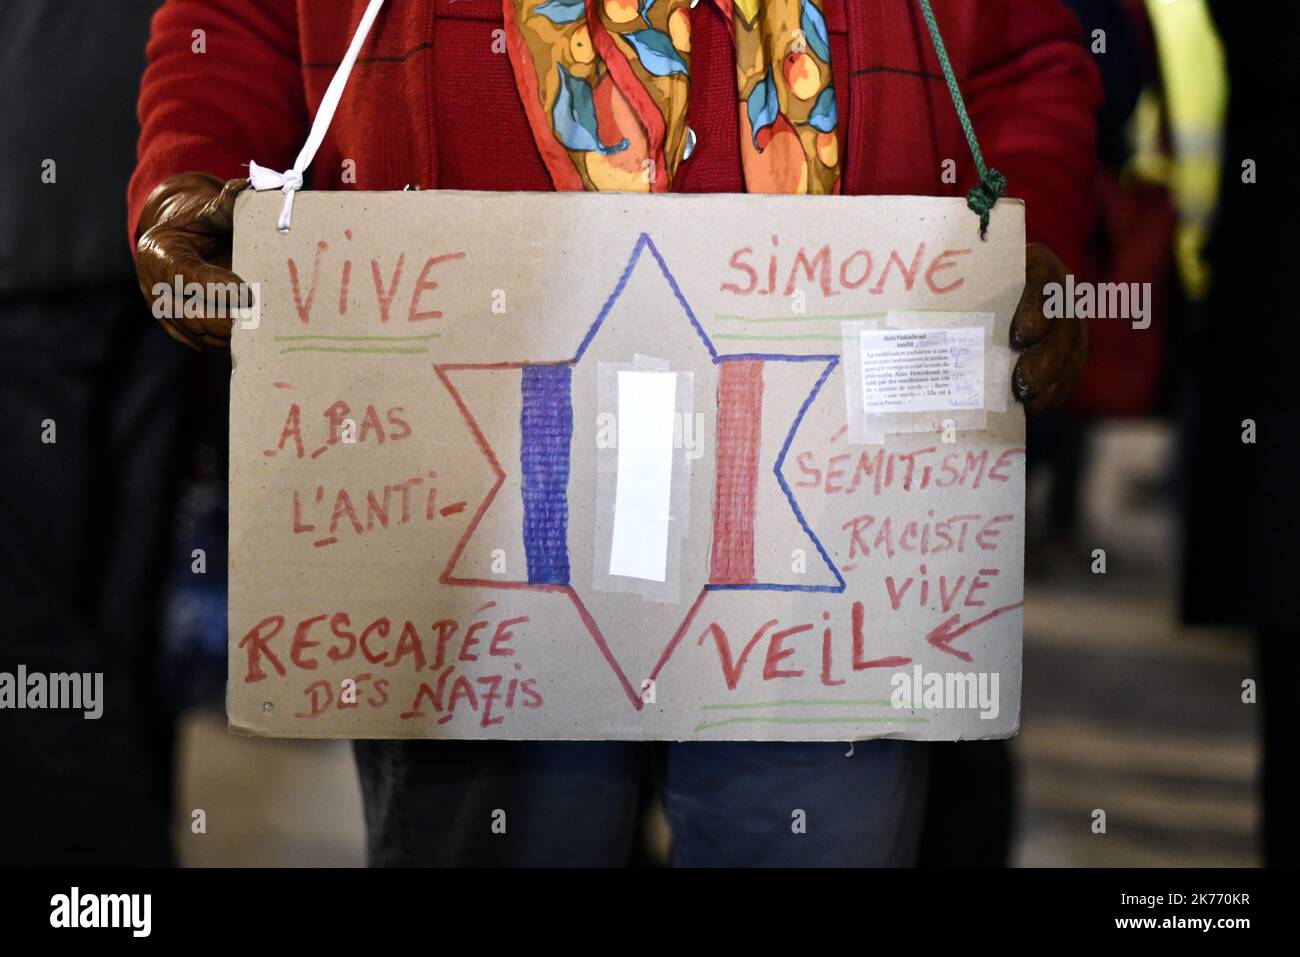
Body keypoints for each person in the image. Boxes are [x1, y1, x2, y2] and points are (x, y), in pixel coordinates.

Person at [130, 0, 1099, 866]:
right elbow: (237, 19)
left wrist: (1036, 226)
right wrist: (189, 166)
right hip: (475, 472)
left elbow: (1022, 54)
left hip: (837, 487)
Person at [0, 0, 180, 866]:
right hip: (156, 203)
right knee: (122, 604)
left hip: (24, 221)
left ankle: (105, 871)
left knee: (28, 623)